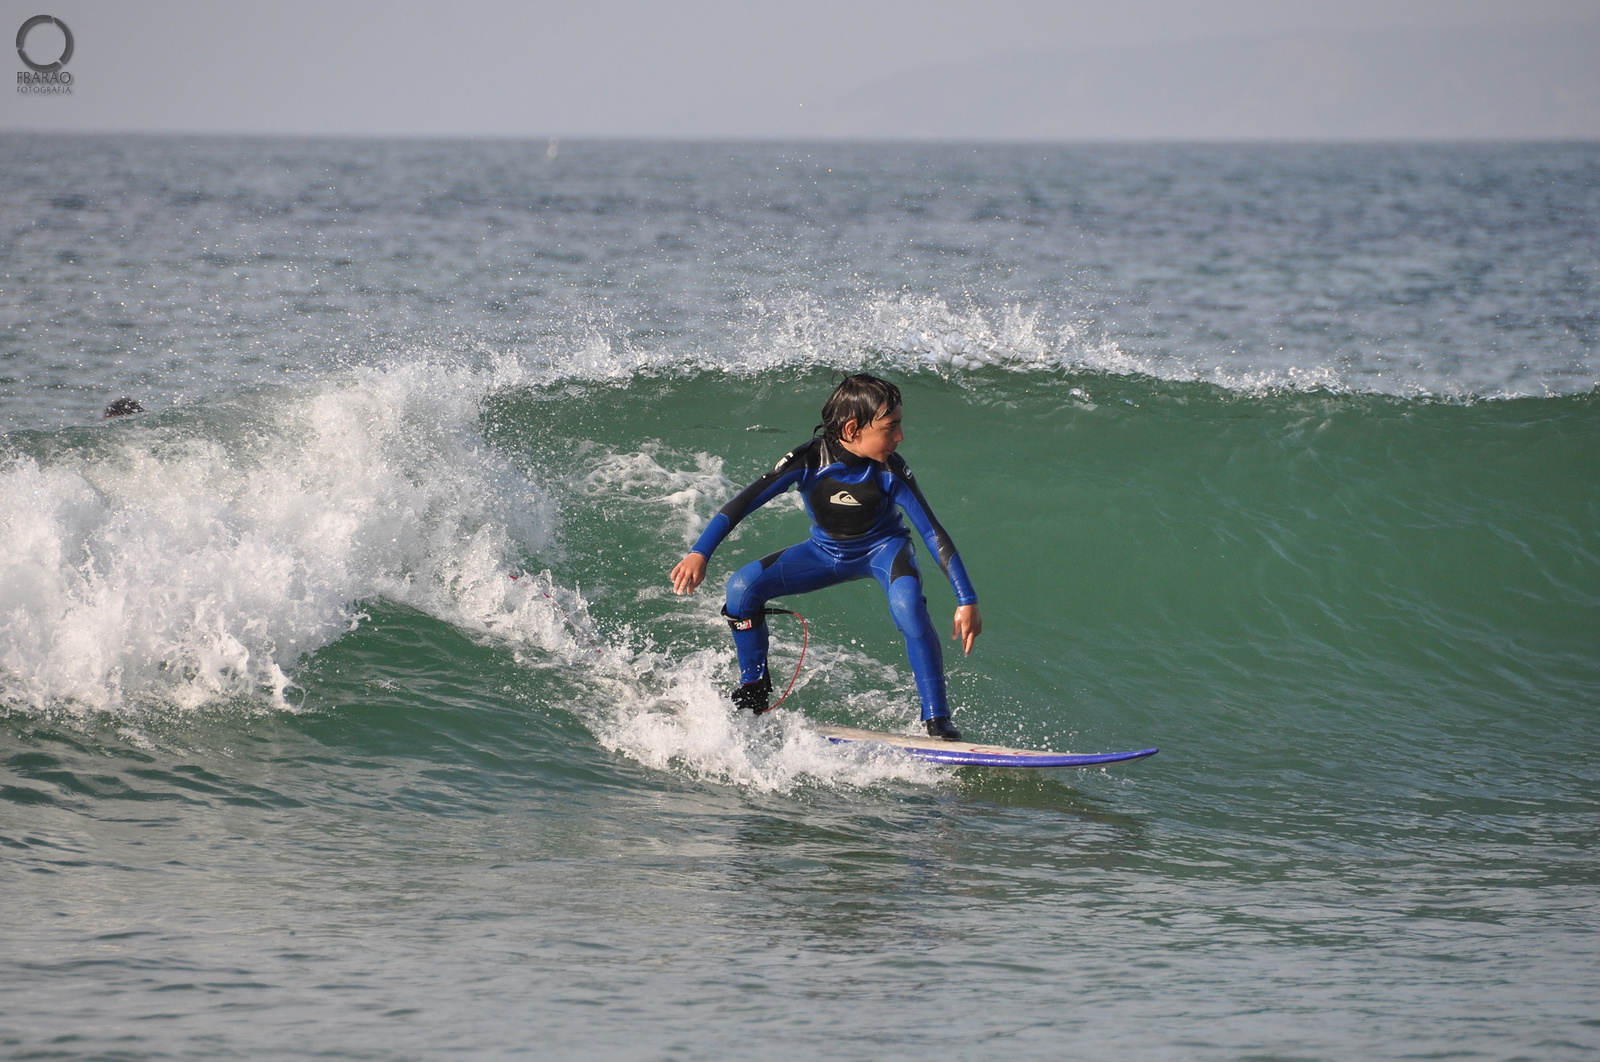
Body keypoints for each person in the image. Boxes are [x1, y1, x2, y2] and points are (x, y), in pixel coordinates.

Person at [670, 373, 981, 740]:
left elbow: (931, 532)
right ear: (852, 428)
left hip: (884, 550)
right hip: (824, 552)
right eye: (891, 427)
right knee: (740, 589)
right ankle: (753, 689)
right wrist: (699, 552)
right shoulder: (808, 460)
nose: (900, 437)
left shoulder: (889, 469)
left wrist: (966, 598)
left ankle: (937, 720)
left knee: (910, 607)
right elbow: (742, 503)